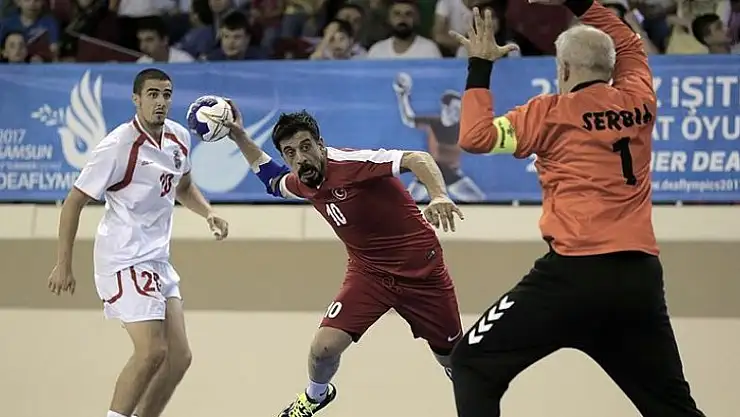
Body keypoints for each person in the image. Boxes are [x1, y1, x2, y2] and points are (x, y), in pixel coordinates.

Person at [448, 3, 706, 417]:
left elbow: (475, 137)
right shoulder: (640, 99)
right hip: (638, 279)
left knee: (471, 363)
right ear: (611, 67)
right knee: (673, 408)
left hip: (572, 277)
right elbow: (629, 43)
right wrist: (581, 2)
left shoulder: (549, 113)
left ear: (564, 69)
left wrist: (479, 65)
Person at [222, 102, 464, 417]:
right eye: (290, 153)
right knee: (323, 348)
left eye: (306, 147)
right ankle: (315, 396)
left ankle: (466, 378)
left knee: (456, 362)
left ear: (321, 145)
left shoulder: (351, 164)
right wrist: (239, 136)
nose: (300, 157)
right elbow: (271, 179)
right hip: (370, 275)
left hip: (423, 274)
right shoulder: (303, 181)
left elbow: (416, 158)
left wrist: (438, 195)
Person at [47, 68, 229, 417]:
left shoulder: (179, 138)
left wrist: (208, 213)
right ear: (136, 99)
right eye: (153, 94)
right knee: (151, 351)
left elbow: (183, 186)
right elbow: (73, 202)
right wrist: (63, 264)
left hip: (157, 259)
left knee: (179, 357)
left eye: (166, 94)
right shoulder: (118, 145)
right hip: (123, 258)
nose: (160, 102)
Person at [392, 72, 485, 202]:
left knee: (478, 199)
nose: (458, 112)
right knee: (407, 202)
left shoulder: (463, 128)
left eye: (460, 109)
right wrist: (402, 95)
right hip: (430, 172)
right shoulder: (433, 122)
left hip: (452, 174)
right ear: (445, 107)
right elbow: (409, 119)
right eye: (455, 109)